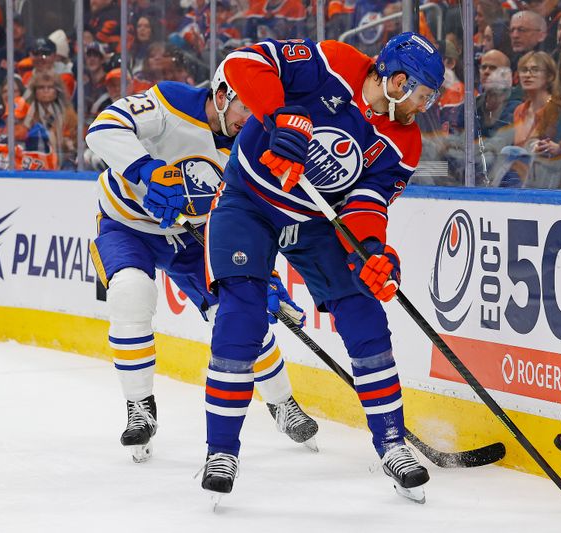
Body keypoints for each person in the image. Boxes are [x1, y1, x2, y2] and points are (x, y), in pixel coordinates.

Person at [186, 32, 444, 501]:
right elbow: (242, 62)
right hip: (249, 201)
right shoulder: (333, 61)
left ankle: (391, 444)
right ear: (398, 81)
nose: (423, 107)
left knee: (365, 315)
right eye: (423, 96)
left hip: (313, 219)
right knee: (241, 318)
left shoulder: (404, 141)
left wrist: (370, 249)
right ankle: (220, 451)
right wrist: (280, 115)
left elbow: (368, 199)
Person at [85, 60, 320, 464]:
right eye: (245, 107)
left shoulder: (253, 142)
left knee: (240, 315)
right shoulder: (174, 102)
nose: (252, 118)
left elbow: (253, 216)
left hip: (198, 239)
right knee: (130, 294)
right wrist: (147, 170)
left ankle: (282, 403)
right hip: (129, 226)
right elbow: (103, 129)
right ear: (223, 93)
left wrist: (264, 276)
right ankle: (139, 407)